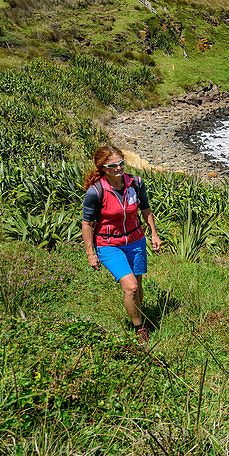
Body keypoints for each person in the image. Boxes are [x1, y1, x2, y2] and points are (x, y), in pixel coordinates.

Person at [81, 146, 162, 343]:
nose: (119, 168)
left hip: (136, 240)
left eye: (121, 163)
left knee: (139, 284)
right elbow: (87, 223)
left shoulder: (135, 182)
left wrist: (154, 234)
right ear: (103, 168)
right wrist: (91, 253)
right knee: (131, 286)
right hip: (109, 244)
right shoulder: (95, 192)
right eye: (113, 165)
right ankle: (139, 328)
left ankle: (140, 314)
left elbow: (145, 208)